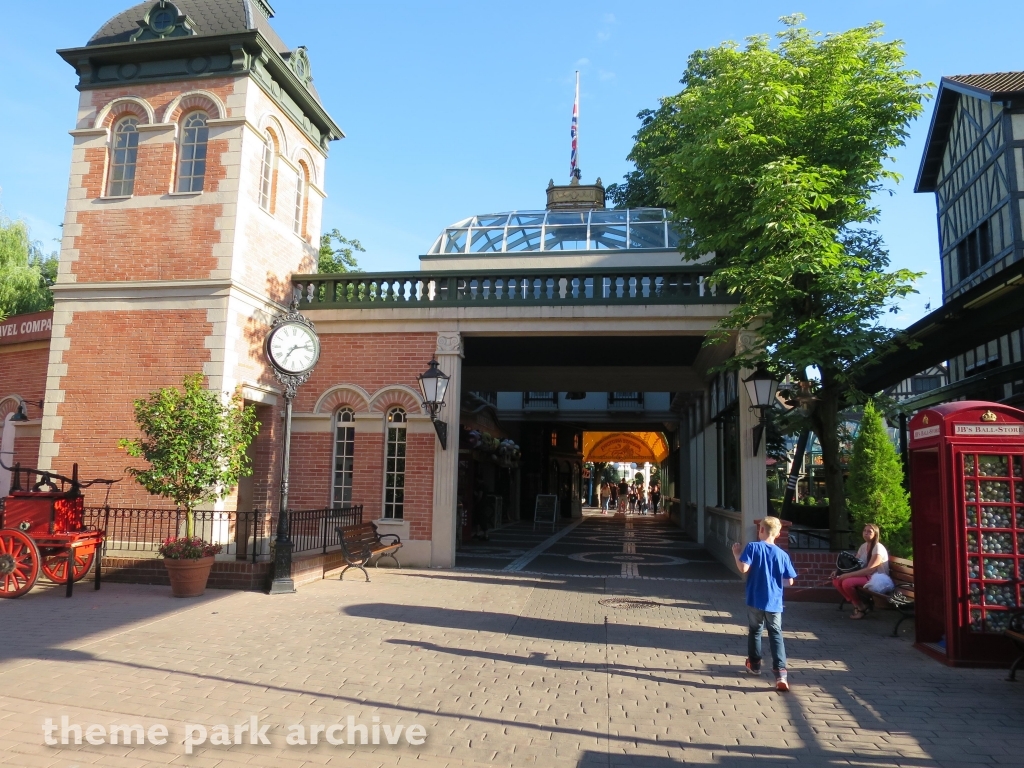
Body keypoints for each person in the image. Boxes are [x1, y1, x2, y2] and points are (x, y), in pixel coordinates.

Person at [732, 516, 798, 691]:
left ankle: (754, 664)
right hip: (775, 601)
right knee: (776, 634)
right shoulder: (783, 555)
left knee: (755, 630)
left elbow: (744, 568)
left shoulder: (753, 547)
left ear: (761, 530)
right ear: (777, 534)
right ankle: (781, 673)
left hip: (755, 598)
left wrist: (737, 554)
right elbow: (789, 581)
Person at [832, 524, 890, 619]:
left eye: (869, 532)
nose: (866, 533)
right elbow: (853, 564)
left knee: (847, 583)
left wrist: (847, 575)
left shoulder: (878, 548)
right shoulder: (863, 546)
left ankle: (861, 608)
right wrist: (838, 572)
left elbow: (870, 570)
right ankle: (857, 605)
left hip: (876, 578)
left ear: (875, 534)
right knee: (836, 580)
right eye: (864, 531)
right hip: (865, 575)